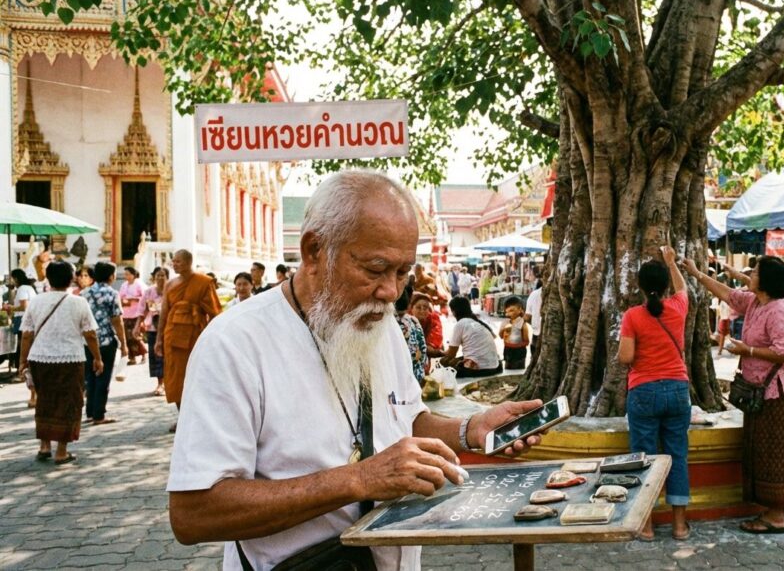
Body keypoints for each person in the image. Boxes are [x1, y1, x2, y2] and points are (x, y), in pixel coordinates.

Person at [166, 170, 543, 570]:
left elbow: (405, 421)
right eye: (375, 269)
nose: (391, 293)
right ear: (314, 251)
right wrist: (357, 480)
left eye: (402, 274)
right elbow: (194, 513)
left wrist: (471, 430)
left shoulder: (383, 327)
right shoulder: (235, 342)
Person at [683, 254, 784, 534]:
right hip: (764, 392)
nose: (751, 276)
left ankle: (775, 516)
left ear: (766, 281)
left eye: (756, 273)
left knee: (773, 452)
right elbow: (727, 294)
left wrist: (746, 351)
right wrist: (697, 273)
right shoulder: (754, 302)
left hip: (778, 393)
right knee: (778, 450)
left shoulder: (777, 310)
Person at [617, 246, 692, 541]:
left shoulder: (633, 316)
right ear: (663, 287)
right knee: (677, 456)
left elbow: (625, 357)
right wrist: (672, 263)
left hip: (643, 390)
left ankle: (646, 524)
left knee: (644, 457)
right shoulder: (678, 308)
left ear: (640, 286)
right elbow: (683, 288)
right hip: (677, 389)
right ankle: (679, 525)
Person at [18, 261, 102, 465]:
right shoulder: (78, 302)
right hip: (70, 359)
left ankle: (44, 446)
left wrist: (22, 362)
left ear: (48, 278)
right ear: (70, 278)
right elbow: (90, 334)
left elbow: (27, 335)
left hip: (40, 358)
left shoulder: (36, 301)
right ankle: (61, 451)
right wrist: (97, 357)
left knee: (44, 400)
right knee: (69, 402)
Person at [155, 250, 222, 433]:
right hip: (173, 336)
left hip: (195, 337)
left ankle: (199, 418)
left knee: (197, 377)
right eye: (173, 262)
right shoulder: (170, 285)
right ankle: (183, 418)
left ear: (188, 262)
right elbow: (164, 313)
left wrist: (215, 338)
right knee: (175, 378)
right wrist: (159, 339)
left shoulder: (203, 283)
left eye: (178, 262)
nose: (174, 265)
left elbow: (215, 313)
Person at [82, 262, 128, 425]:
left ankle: (90, 411)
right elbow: (117, 320)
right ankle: (99, 414)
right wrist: (123, 343)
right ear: (111, 276)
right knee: (103, 376)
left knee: (90, 376)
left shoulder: (84, 293)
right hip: (106, 340)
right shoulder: (111, 293)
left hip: (87, 340)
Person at [441, 296, 503, 378]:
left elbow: (451, 354)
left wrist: (437, 352)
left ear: (454, 311)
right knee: (458, 360)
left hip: (479, 370)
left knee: (444, 363)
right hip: (495, 367)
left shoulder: (460, 324)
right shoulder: (477, 323)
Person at [12, 268, 38, 407]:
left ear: (16, 278)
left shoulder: (22, 288)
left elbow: (24, 306)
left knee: (24, 348)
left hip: (24, 321)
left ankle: (21, 371)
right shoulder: (31, 288)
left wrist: (10, 308)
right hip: (33, 323)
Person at [140, 267, 168, 396]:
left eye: (163, 275)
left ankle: (169, 382)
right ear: (154, 277)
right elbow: (142, 310)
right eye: (158, 275)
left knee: (168, 356)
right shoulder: (148, 292)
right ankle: (160, 383)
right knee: (156, 356)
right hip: (152, 328)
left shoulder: (171, 291)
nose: (160, 278)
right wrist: (137, 325)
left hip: (169, 328)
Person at [395, 290, 428, 386]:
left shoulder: (388, 323)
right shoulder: (413, 320)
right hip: (417, 379)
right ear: (409, 306)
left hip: (399, 381)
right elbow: (423, 349)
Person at [119, 266, 148, 365]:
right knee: (127, 337)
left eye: (128, 274)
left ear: (133, 275)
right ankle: (132, 358)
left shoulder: (139, 284)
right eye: (125, 274)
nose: (126, 276)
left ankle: (144, 355)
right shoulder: (124, 285)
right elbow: (120, 297)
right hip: (126, 313)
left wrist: (135, 299)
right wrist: (123, 301)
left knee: (136, 335)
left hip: (136, 313)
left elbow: (145, 297)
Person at [410, 292, 445, 368]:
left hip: (425, 361)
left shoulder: (434, 318)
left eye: (425, 308)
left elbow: (436, 337)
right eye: (418, 307)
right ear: (412, 308)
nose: (422, 311)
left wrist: (430, 347)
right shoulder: (406, 321)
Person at [500, 296, 530, 370]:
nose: (509, 314)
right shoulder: (505, 322)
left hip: (519, 352)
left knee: (518, 369)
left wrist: (516, 345)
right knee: (508, 368)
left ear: (520, 310)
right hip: (507, 350)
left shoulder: (522, 323)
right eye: (507, 311)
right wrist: (503, 330)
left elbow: (526, 341)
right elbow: (501, 336)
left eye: (512, 310)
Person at [526, 279, 543, 363]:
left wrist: (535, 324)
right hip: (550, 333)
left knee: (535, 360)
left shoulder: (534, 294)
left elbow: (527, 317)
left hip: (537, 332)